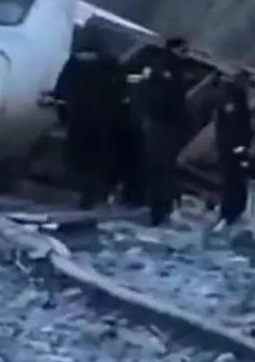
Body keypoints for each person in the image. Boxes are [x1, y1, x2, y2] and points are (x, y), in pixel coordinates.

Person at [52, 31, 129, 209]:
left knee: (79, 155)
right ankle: (92, 194)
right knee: (97, 159)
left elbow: (62, 88)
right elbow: (121, 90)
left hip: (79, 116)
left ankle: (77, 190)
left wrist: (63, 115)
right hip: (103, 119)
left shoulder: (77, 60)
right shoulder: (111, 62)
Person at [128, 37, 193, 226]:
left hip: (163, 123)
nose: (186, 53)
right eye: (184, 49)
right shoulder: (166, 68)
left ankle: (161, 207)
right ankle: (159, 208)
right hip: (162, 123)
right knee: (161, 167)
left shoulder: (170, 67)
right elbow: (164, 97)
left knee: (163, 167)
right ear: (175, 48)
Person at [212, 71, 254, 227]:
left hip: (229, 146)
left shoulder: (232, 95)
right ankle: (230, 213)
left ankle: (231, 213)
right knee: (233, 181)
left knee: (233, 180)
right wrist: (239, 146)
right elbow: (233, 124)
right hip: (232, 147)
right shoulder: (233, 98)